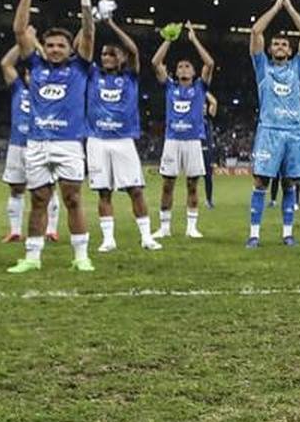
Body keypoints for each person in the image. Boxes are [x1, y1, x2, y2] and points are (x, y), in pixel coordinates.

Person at [7, 0, 96, 273]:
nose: (56, 49)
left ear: (69, 49)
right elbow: (19, 30)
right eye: (51, 45)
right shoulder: (36, 65)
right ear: (43, 48)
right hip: (36, 144)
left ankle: (81, 256)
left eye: (61, 45)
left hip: (69, 143)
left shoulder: (80, 67)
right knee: (39, 200)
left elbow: (89, 32)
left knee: (73, 199)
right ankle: (32, 258)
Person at [246, 0, 300, 248]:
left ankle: (287, 234)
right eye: (276, 43)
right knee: (261, 182)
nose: (279, 46)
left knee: (289, 184)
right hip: (269, 131)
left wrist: (290, 8)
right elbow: (255, 32)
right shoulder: (262, 67)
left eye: (285, 44)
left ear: (290, 49)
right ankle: (254, 234)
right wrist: (276, 7)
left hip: (294, 133)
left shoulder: (298, 67)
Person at [87, 16, 160, 251]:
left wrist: (111, 25)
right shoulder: (93, 75)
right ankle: (109, 240)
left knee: (135, 190)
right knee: (103, 192)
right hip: (97, 139)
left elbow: (133, 50)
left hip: (123, 140)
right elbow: (83, 48)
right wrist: (93, 24)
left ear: (121, 58)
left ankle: (146, 237)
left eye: (112, 54)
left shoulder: (130, 76)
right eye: (104, 54)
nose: (107, 58)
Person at [151, 22, 215, 240]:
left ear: (194, 72)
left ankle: (191, 227)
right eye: (180, 67)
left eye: (188, 67)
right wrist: (168, 39)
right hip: (172, 141)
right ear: (175, 72)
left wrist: (194, 39)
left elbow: (210, 63)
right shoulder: (170, 87)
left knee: (192, 185)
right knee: (167, 184)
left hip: (193, 141)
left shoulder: (200, 87)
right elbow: (155, 62)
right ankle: (165, 227)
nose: (184, 69)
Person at [0, 44, 61, 243]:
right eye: (29, 74)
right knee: (16, 188)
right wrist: (22, 42)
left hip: (43, 143)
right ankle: (15, 231)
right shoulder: (18, 89)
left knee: (49, 187)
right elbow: (6, 63)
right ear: (25, 75)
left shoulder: (49, 90)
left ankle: (51, 230)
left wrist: (38, 46)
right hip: (18, 145)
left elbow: (50, 65)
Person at [201, 91, 219, 209]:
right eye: (201, 106)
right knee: (193, 177)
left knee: (208, 177)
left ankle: (209, 200)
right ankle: (192, 201)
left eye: (205, 106)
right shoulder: (193, 117)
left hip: (207, 150)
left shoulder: (208, 117)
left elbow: (214, 102)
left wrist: (203, 91)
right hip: (196, 148)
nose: (204, 108)